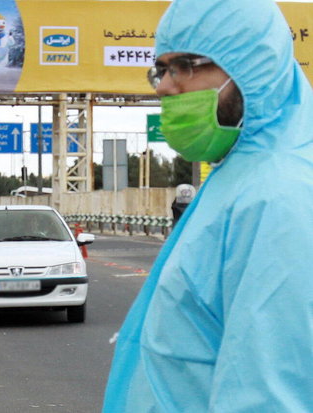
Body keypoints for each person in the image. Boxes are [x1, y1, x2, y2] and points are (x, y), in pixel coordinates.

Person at [102, 0, 313, 411]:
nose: (164, 86)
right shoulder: (240, 174)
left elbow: (271, 395)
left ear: (253, 68)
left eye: (184, 65)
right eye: (160, 69)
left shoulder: (278, 195)